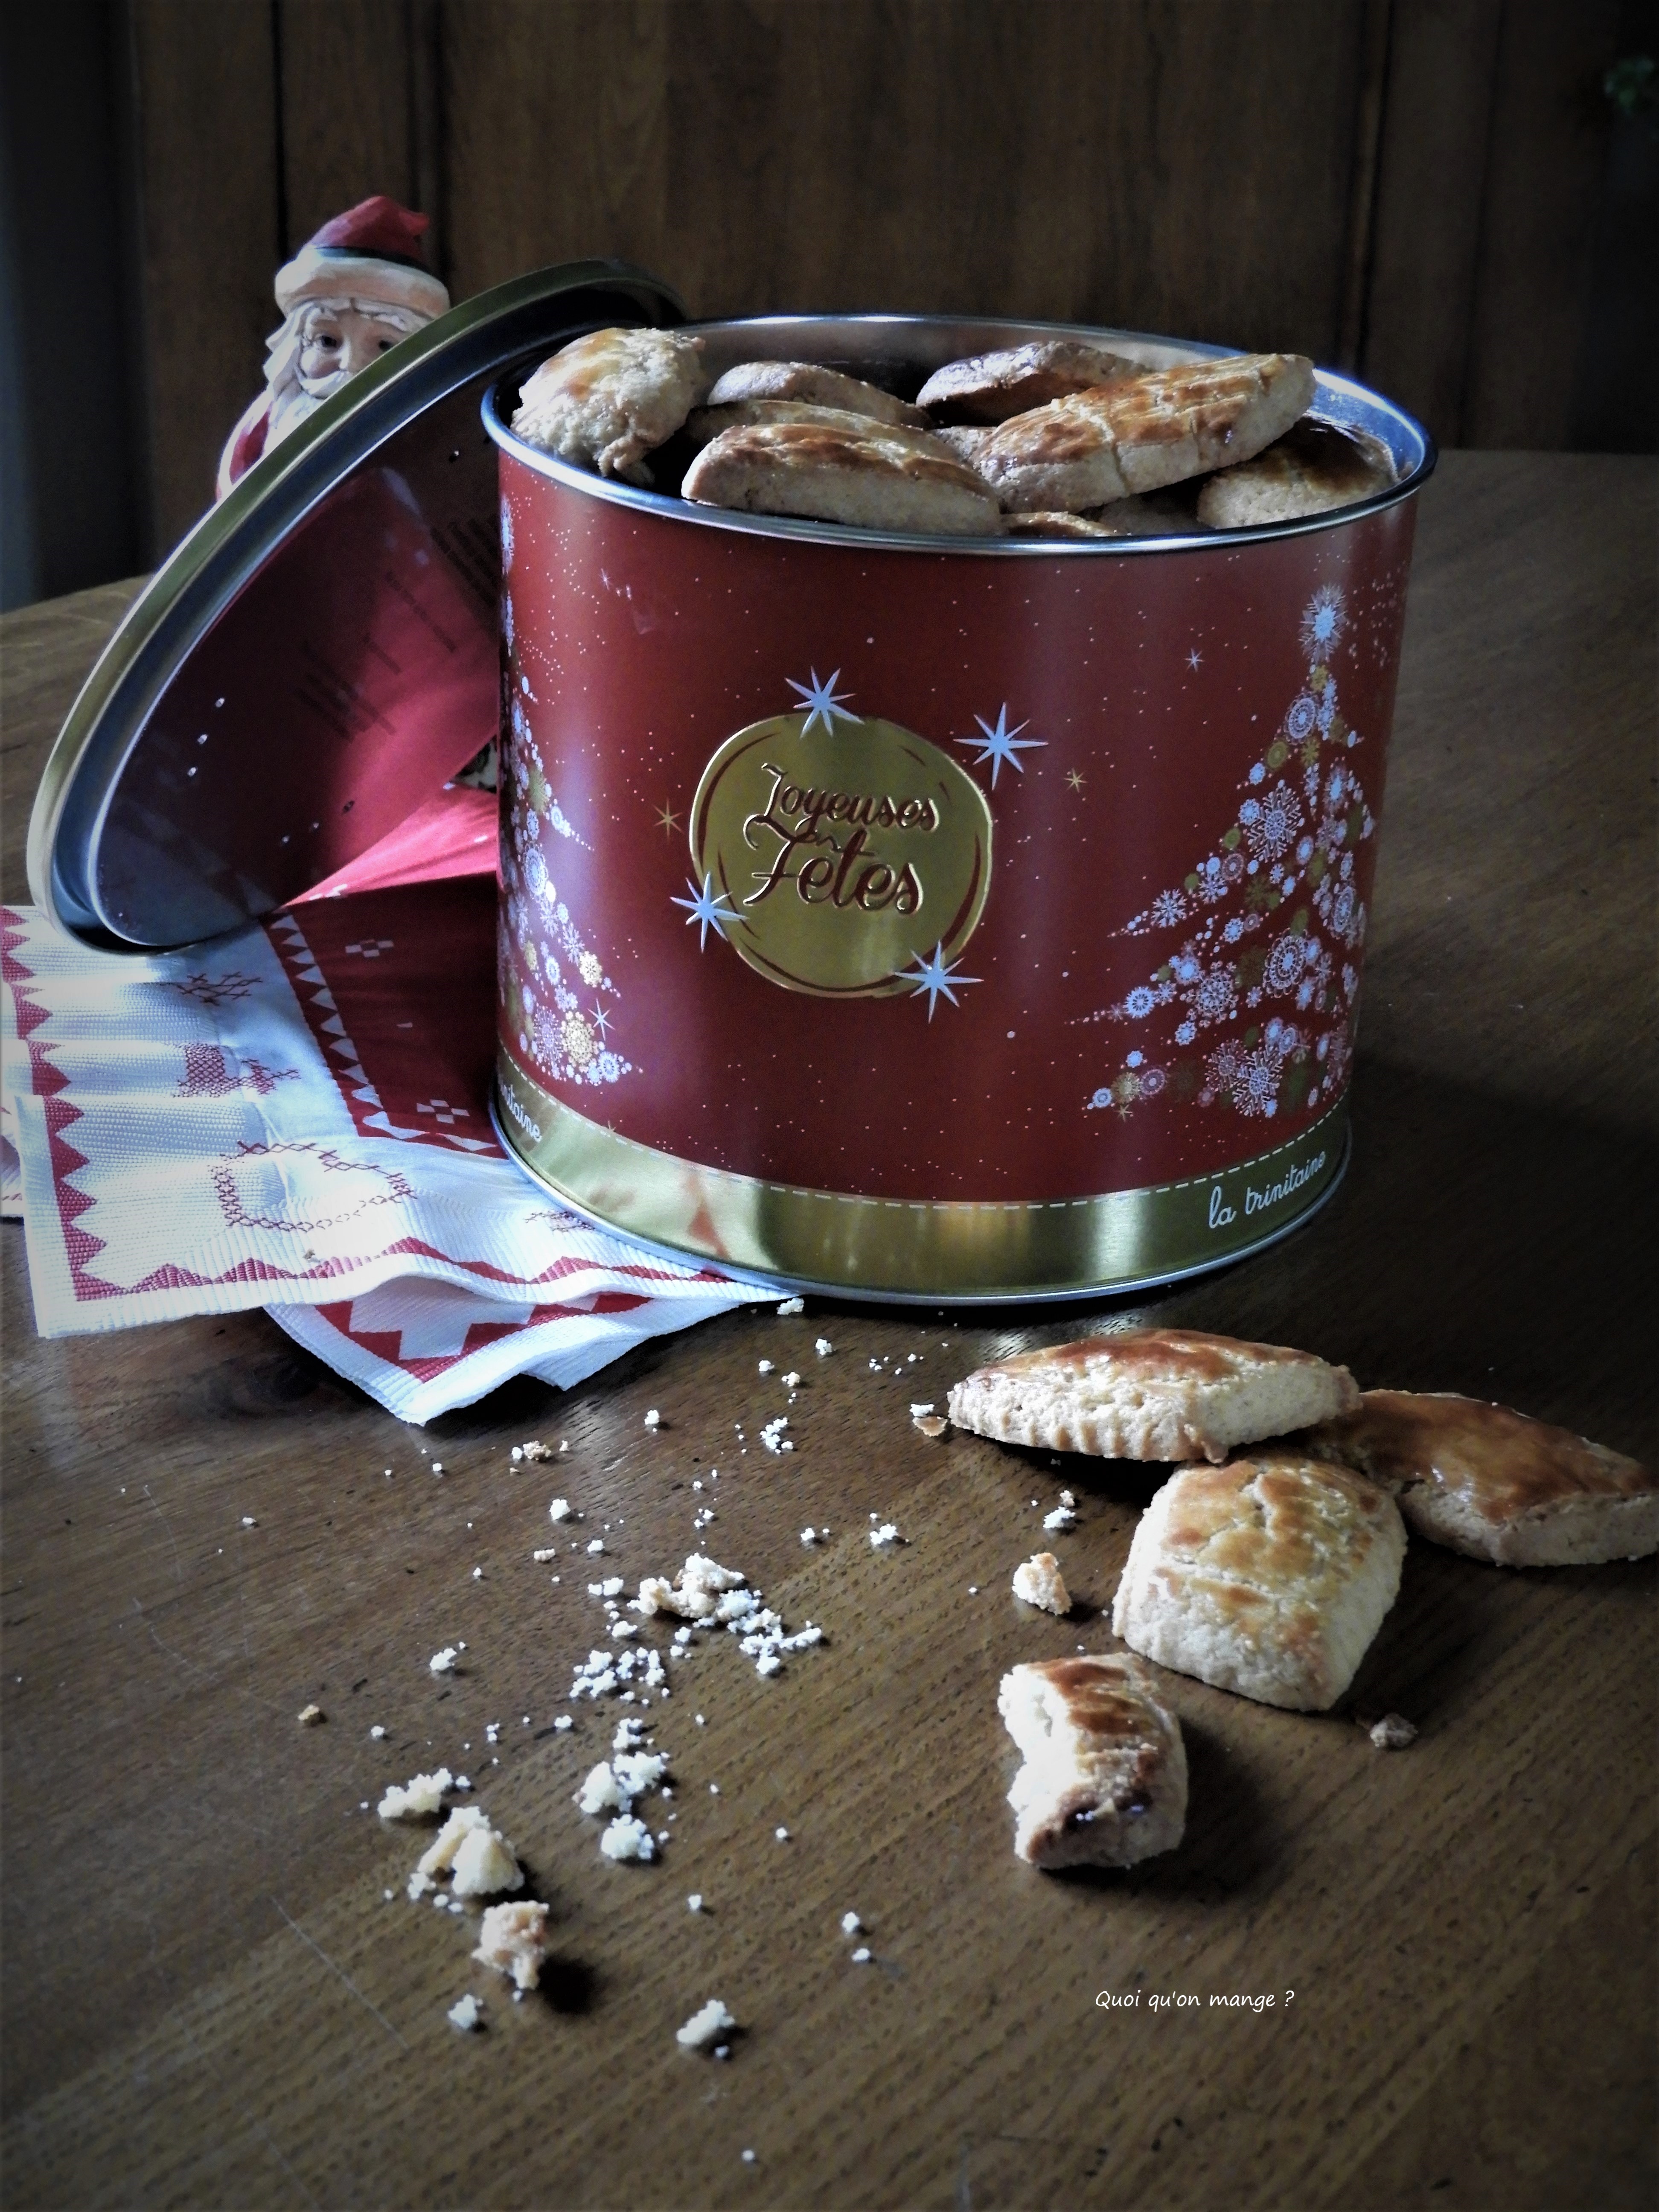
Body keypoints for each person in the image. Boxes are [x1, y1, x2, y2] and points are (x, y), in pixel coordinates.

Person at [215, 195, 449, 499]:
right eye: (327, 341)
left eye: (386, 346)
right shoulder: (257, 438)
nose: (351, 366)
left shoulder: (438, 444)